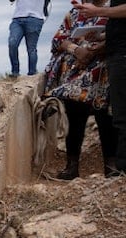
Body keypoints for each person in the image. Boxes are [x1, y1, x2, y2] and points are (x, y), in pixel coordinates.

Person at [44, 0, 114, 179]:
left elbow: (118, 37)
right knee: (74, 117)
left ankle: (111, 166)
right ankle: (71, 166)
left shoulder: (113, 10)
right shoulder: (75, 13)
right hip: (74, 74)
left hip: (102, 74)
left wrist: (95, 50)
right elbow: (59, 39)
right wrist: (76, 50)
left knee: (105, 118)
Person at [74, 0, 126, 176]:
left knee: (123, 116)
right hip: (116, 53)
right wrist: (103, 38)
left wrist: (98, 11)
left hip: (122, 55)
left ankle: (122, 170)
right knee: (120, 115)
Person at [8, 0, 50, 77]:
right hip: (17, 18)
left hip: (35, 18)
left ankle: (32, 73)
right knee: (12, 43)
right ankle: (15, 72)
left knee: (31, 49)